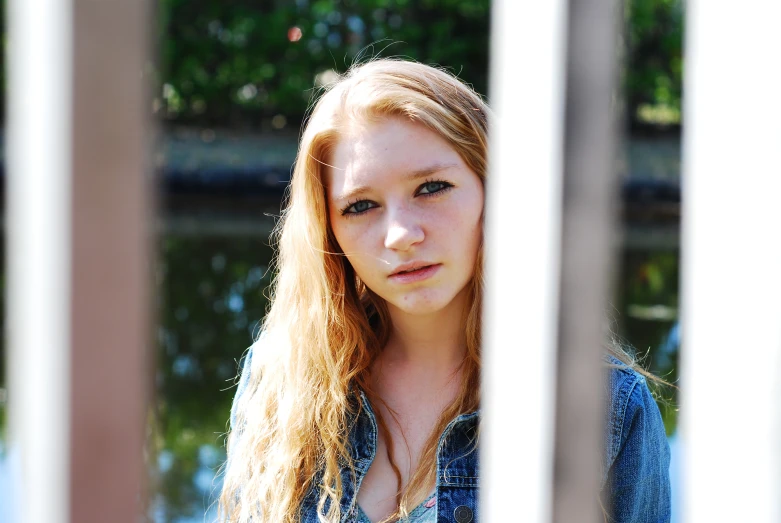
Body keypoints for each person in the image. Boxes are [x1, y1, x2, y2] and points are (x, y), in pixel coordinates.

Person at [218, 58, 670, 523]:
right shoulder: (280, 381)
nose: (400, 234)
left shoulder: (604, 405)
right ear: (328, 230)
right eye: (360, 206)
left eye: (431, 187)